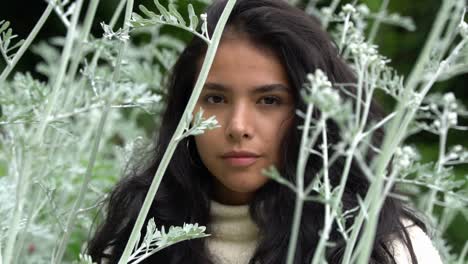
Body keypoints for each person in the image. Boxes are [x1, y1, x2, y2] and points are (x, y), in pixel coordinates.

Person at [88, 0, 442, 263]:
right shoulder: (133, 243)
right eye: (214, 98)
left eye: (270, 101)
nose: (238, 127)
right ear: (185, 110)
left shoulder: (383, 247)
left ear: (316, 111)